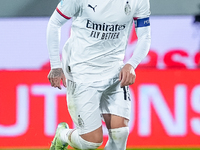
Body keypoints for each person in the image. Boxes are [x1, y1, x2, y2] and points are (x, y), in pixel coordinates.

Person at [46, 0, 151, 149]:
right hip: (82, 72)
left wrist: (131, 64)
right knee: (91, 142)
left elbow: (145, 37)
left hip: (115, 71)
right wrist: (55, 66)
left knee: (120, 134)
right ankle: (62, 135)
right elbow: (55, 22)